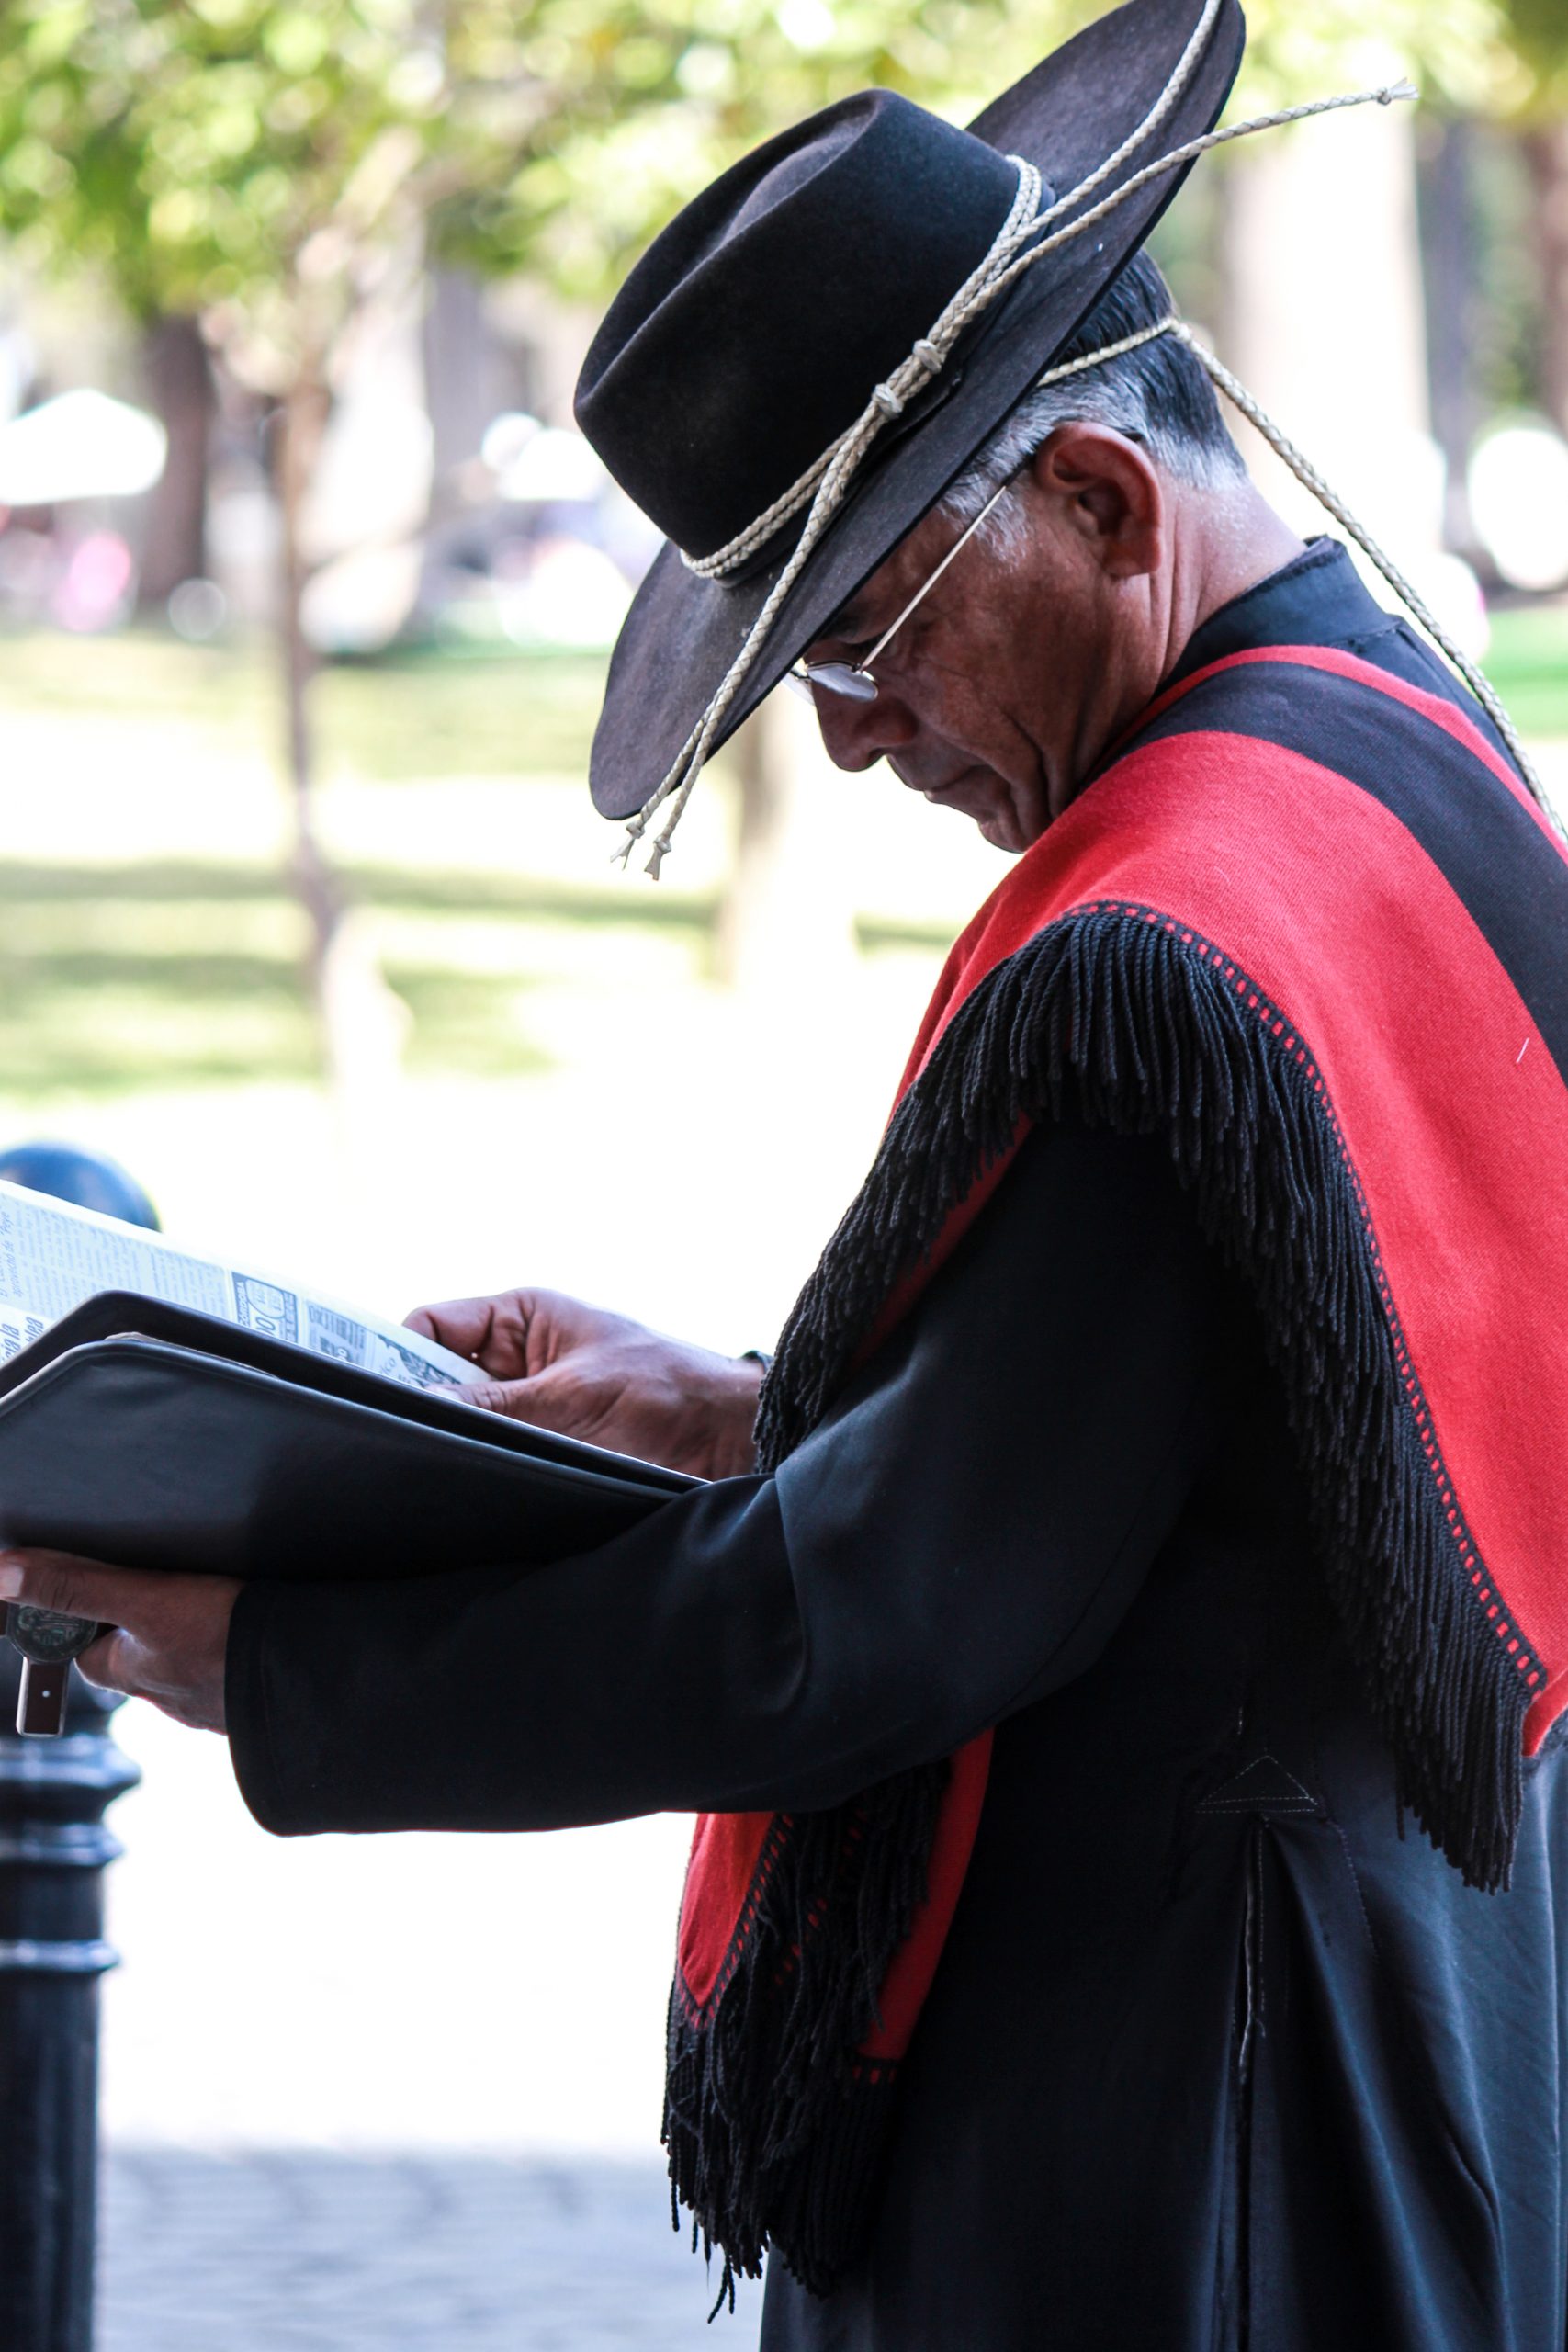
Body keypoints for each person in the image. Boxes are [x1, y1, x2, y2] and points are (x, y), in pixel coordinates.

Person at [7, 2, 1568, 2345]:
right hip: (1378, 2000)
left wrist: (292, 1671)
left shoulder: (1174, 931)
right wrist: (748, 1406)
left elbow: (868, 1623)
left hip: (1179, 2127)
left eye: (856, 639)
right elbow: (1202, 1427)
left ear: (1102, 503)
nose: (845, 742)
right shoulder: (1390, 746)